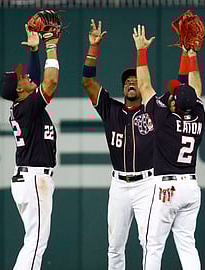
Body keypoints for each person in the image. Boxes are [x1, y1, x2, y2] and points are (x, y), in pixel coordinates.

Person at [81, 19, 158, 270]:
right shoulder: (110, 109)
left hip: (147, 183)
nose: (131, 83)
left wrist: (142, 51)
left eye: (135, 79)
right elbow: (88, 83)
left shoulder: (153, 111)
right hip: (119, 184)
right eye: (127, 81)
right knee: (115, 246)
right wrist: (93, 48)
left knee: (149, 243)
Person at [132, 25, 205, 270]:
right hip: (191, 187)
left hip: (167, 188)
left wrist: (141, 51)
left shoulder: (164, 120)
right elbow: (194, 90)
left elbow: (143, 86)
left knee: (153, 245)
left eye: (173, 95)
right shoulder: (198, 116)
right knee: (187, 244)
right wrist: (190, 54)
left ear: (174, 103)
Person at [0, 25, 60, 270]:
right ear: (18, 90)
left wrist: (34, 53)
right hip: (34, 179)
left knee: (34, 241)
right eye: (22, 79)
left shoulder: (23, 104)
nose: (26, 78)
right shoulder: (27, 107)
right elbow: (50, 81)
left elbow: (35, 81)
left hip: (30, 178)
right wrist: (51, 46)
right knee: (35, 243)